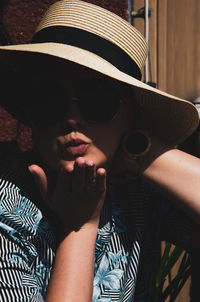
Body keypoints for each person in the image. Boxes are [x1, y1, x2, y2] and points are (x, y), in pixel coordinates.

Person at [0, 0, 199, 301]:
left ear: (130, 114)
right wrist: (79, 228)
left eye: (97, 99)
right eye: (48, 99)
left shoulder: (138, 192)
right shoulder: (8, 203)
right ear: (29, 111)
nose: (71, 118)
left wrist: (139, 152)